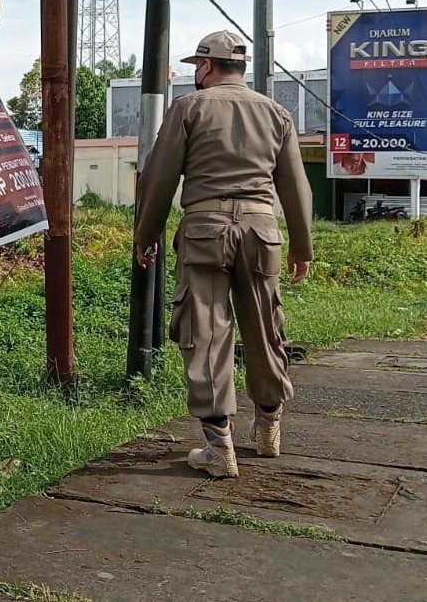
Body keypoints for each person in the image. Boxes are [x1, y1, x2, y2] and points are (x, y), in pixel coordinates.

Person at [133, 30, 314, 479]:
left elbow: (160, 176)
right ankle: (269, 426)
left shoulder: (189, 108)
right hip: (261, 230)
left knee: (206, 332)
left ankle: (219, 446)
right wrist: (302, 246)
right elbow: (296, 187)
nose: (196, 73)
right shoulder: (277, 114)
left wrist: (147, 232)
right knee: (264, 328)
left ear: (207, 68)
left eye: (198, 66)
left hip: (205, 230)